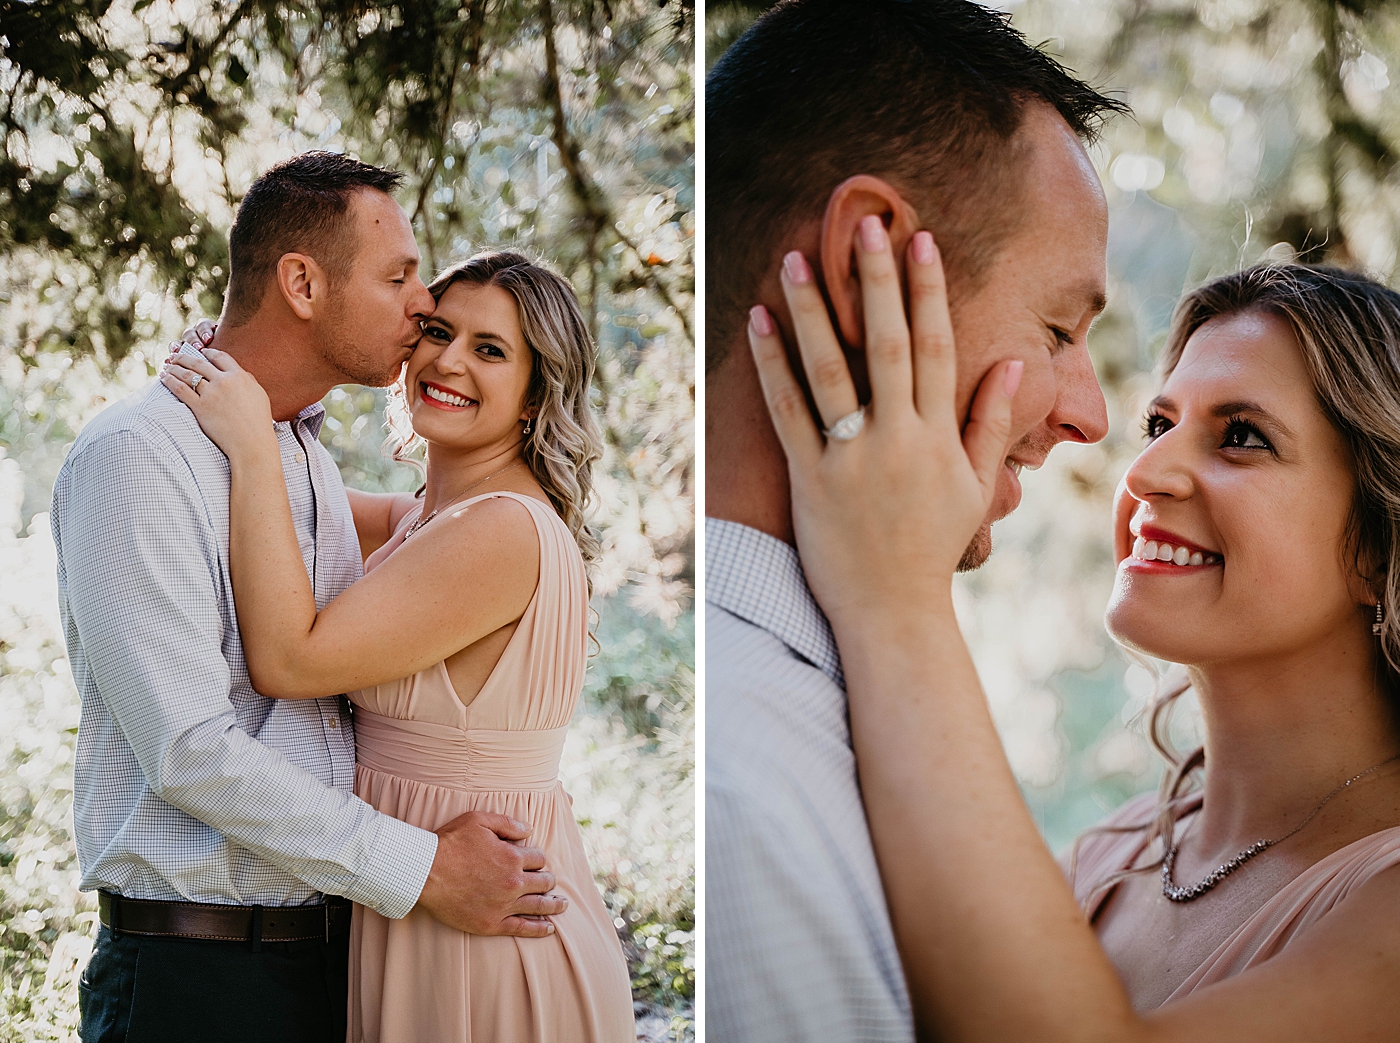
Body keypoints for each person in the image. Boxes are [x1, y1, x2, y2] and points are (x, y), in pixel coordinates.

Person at [751, 230, 1400, 1037]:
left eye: (1241, 436)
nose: (1144, 471)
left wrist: (897, 591)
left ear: (1376, 545)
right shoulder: (1111, 852)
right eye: (1160, 423)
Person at [53, 152, 566, 1043]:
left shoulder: (299, 455)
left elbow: (446, 528)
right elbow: (191, 750)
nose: (421, 305)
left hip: (336, 960)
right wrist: (425, 868)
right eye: (399, 275)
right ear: (301, 281)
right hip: (201, 982)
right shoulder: (139, 456)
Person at [704, 0, 1125, 1037]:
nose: (1091, 414)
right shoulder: (740, 802)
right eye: (1059, 327)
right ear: (871, 262)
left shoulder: (840, 721)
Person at [161, 250, 635, 1042]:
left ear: (535, 392)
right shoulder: (427, 518)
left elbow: (290, 661)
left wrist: (249, 438)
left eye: (490, 349)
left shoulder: (498, 532)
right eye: (439, 331)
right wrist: (231, 364)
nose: (448, 360)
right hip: (422, 903)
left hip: (482, 940)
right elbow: (291, 502)